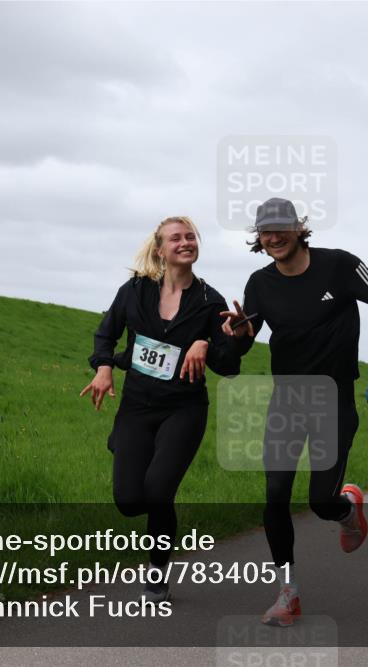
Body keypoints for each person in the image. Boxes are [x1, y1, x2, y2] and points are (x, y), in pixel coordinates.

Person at [221, 198, 368, 627]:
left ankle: (347, 509)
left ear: (299, 228)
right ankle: (288, 593)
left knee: (320, 500)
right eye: (265, 232)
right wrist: (241, 333)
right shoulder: (259, 283)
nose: (274, 237)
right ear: (258, 239)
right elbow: (246, 340)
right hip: (286, 400)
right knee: (275, 494)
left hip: (334, 398)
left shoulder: (339, 265)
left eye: (281, 228)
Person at [82, 216, 241, 604]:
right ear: (160, 249)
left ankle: (157, 575)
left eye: (191, 237)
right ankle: (121, 440)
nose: (185, 242)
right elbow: (106, 333)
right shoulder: (135, 290)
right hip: (136, 407)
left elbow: (229, 366)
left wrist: (217, 341)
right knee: (128, 502)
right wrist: (104, 368)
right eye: (176, 238)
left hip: (183, 409)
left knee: (158, 491)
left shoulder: (210, 301)